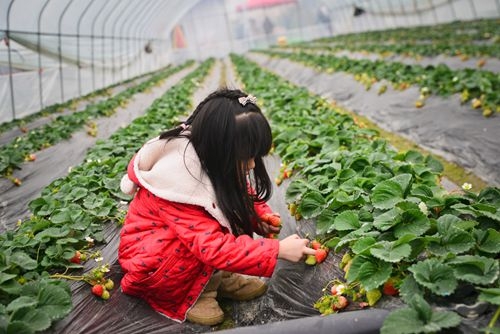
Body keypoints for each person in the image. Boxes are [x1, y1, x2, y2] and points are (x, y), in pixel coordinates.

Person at [118, 88, 316, 326]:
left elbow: (235, 189)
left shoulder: (210, 154)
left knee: (217, 221)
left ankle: (214, 278)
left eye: (255, 156)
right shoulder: (176, 184)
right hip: (158, 268)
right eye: (246, 157)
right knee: (209, 239)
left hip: (189, 246)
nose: (252, 165)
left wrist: (258, 215)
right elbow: (211, 247)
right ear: (218, 148)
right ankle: (192, 294)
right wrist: (276, 250)